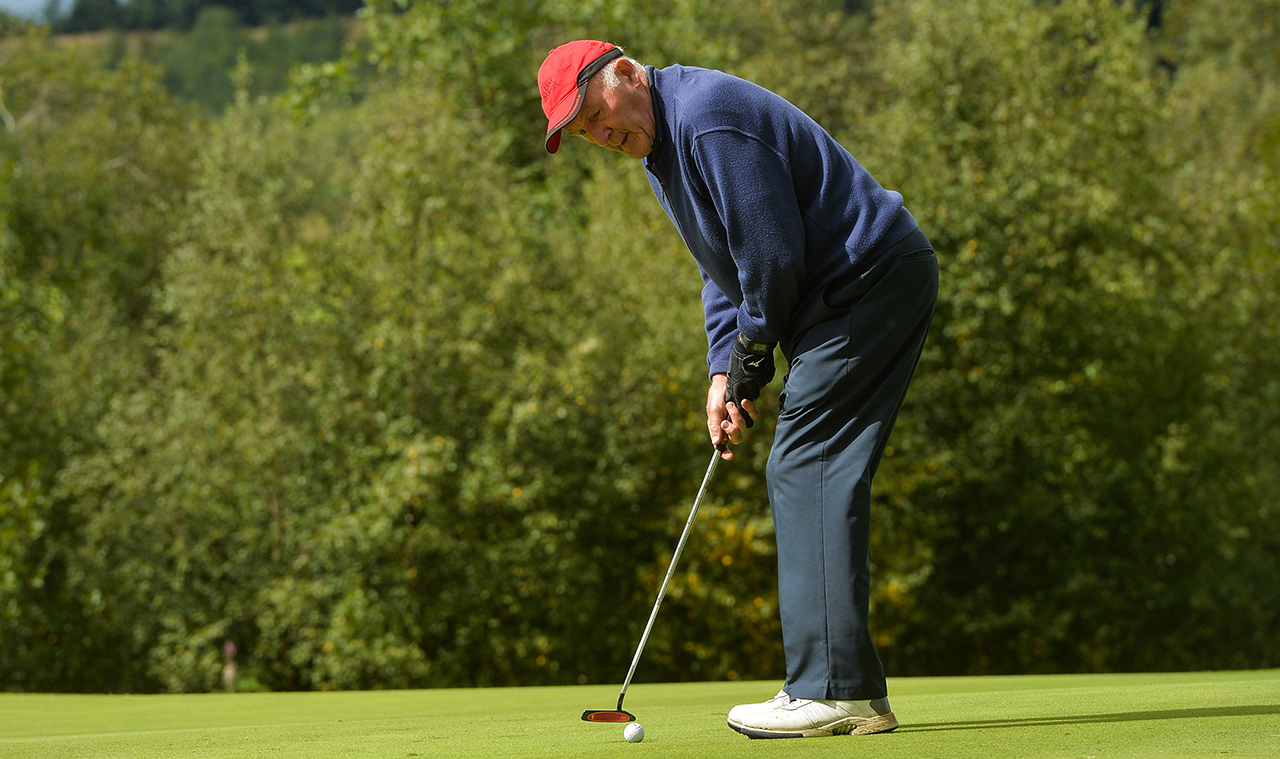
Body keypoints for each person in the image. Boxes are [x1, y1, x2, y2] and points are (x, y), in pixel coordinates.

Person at [538, 40, 938, 740]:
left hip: (865, 283)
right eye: (586, 134)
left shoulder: (706, 116)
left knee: (807, 463)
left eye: (598, 115)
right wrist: (723, 369)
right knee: (809, 465)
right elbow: (722, 265)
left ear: (627, 76)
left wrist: (753, 352)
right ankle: (841, 689)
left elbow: (772, 254)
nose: (603, 136)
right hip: (841, 298)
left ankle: (833, 690)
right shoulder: (663, 151)